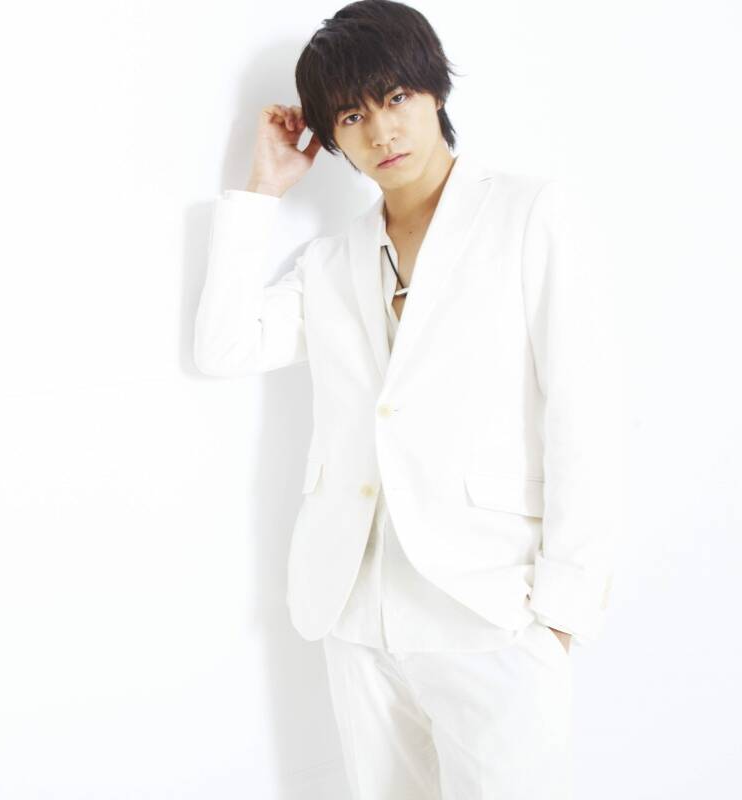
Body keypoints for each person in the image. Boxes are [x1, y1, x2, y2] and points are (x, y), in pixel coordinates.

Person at [192, 1, 625, 797]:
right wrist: (262, 190)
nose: (381, 131)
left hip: (491, 610)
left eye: (395, 98)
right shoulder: (333, 262)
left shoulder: (529, 214)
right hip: (358, 615)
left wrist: (562, 613)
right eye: (352, 116)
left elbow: (581, 413)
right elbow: (223, 349)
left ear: (434, 92)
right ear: (332, 136)